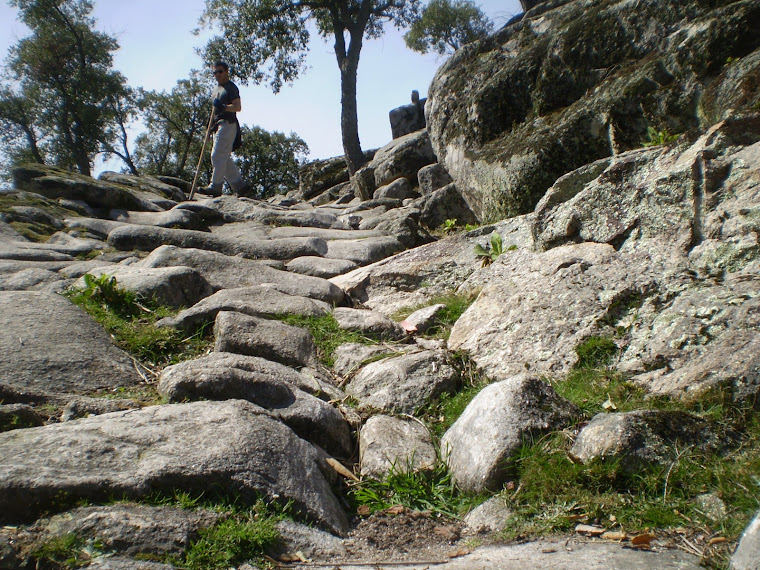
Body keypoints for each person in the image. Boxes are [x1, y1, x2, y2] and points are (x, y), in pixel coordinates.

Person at [204, 61, 250, 196]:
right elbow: (213, 112)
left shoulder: (231, 88)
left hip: (228, 124)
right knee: (224, 158)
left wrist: (224, 106)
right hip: (217, 125)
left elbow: (238, 107)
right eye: (215, 72)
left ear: (226, 72)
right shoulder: (215, 90)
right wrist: (208, 130)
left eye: (220, 71)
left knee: (217, 155)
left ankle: (215, 187)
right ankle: (241, 187)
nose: (217, 74)